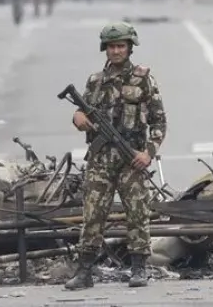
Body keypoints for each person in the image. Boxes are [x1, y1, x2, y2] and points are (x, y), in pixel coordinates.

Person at [65, 22, 168, 291]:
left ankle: (138, 268)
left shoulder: (143, 79)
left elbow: (159, 122)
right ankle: (84, 270)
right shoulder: (95, 82)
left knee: (137, 213)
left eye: (121, 46)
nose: (116, 51)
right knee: (93, 214)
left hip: (131, 159)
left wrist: (148, 153)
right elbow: (82, 113)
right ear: (105, 49)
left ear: (130, 47)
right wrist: (77, 119)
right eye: (112, 46)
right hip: (100, 159)